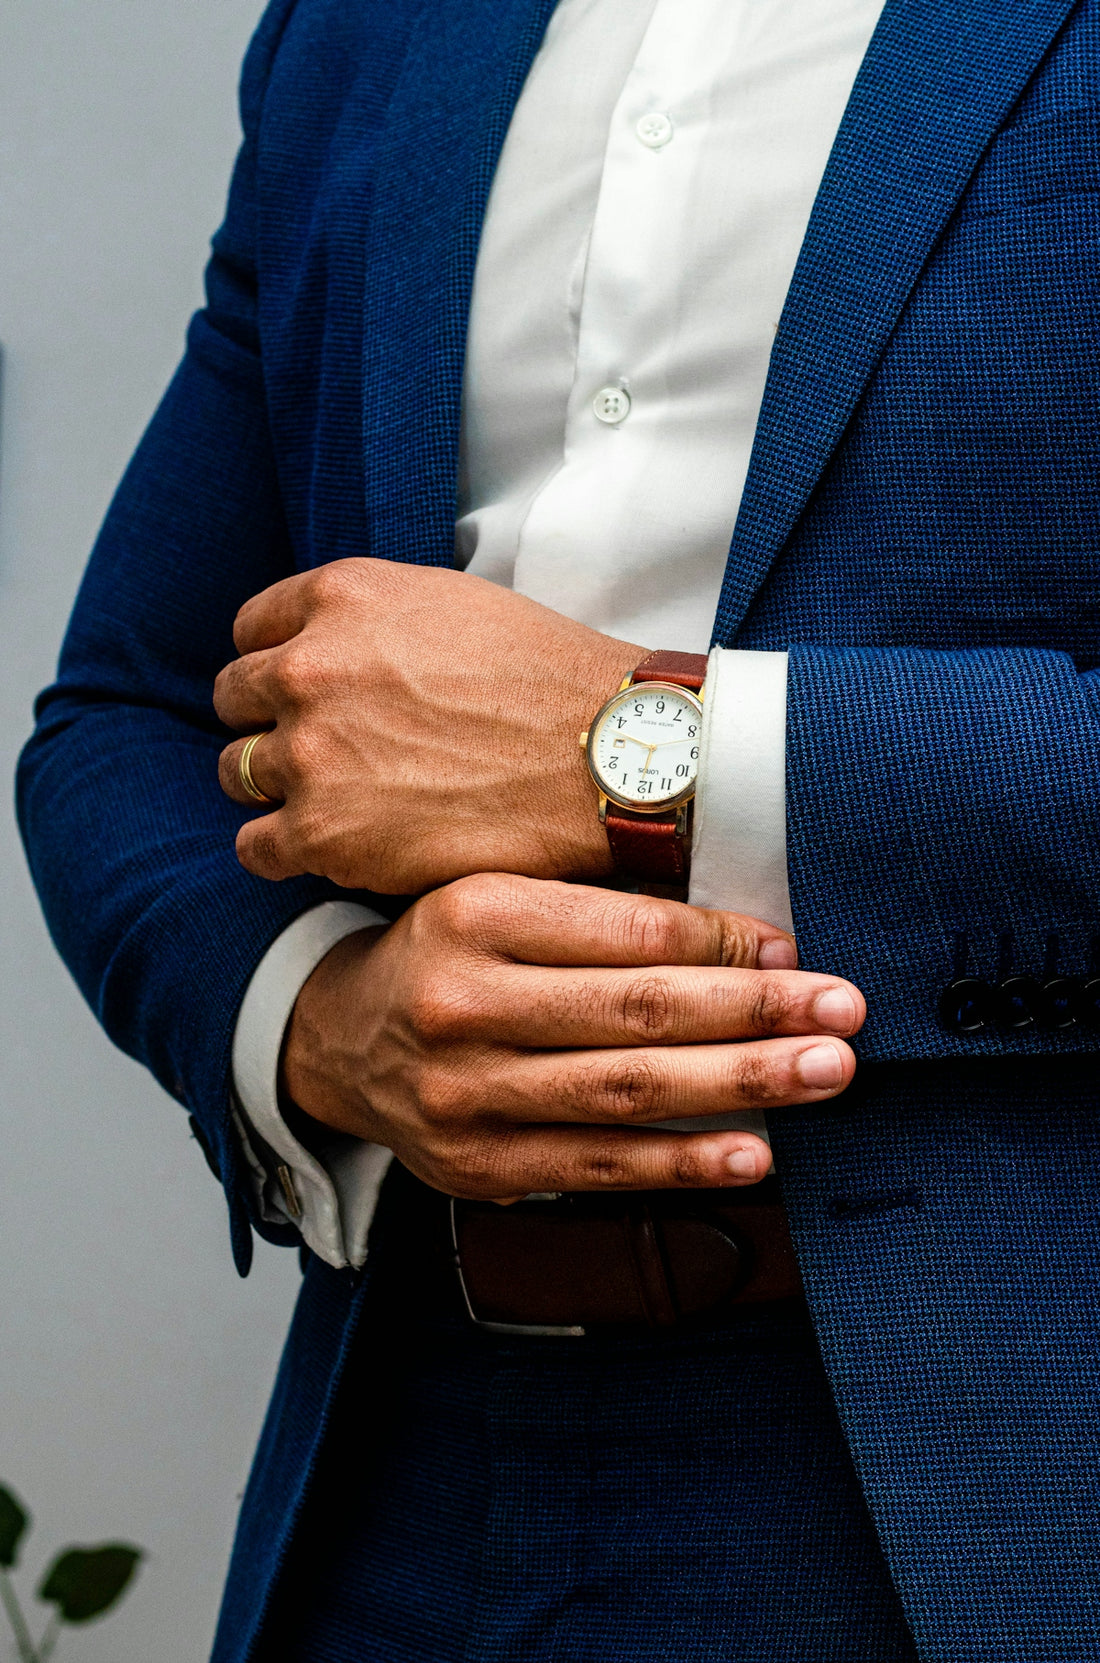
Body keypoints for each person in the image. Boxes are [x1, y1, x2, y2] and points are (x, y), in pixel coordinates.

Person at [17, 0, 1100, 1655]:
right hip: (399, 1468)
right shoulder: (358, 34)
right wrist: (319, 1022)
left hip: (1012, 1488)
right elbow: (129, 715)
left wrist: (633, 749)